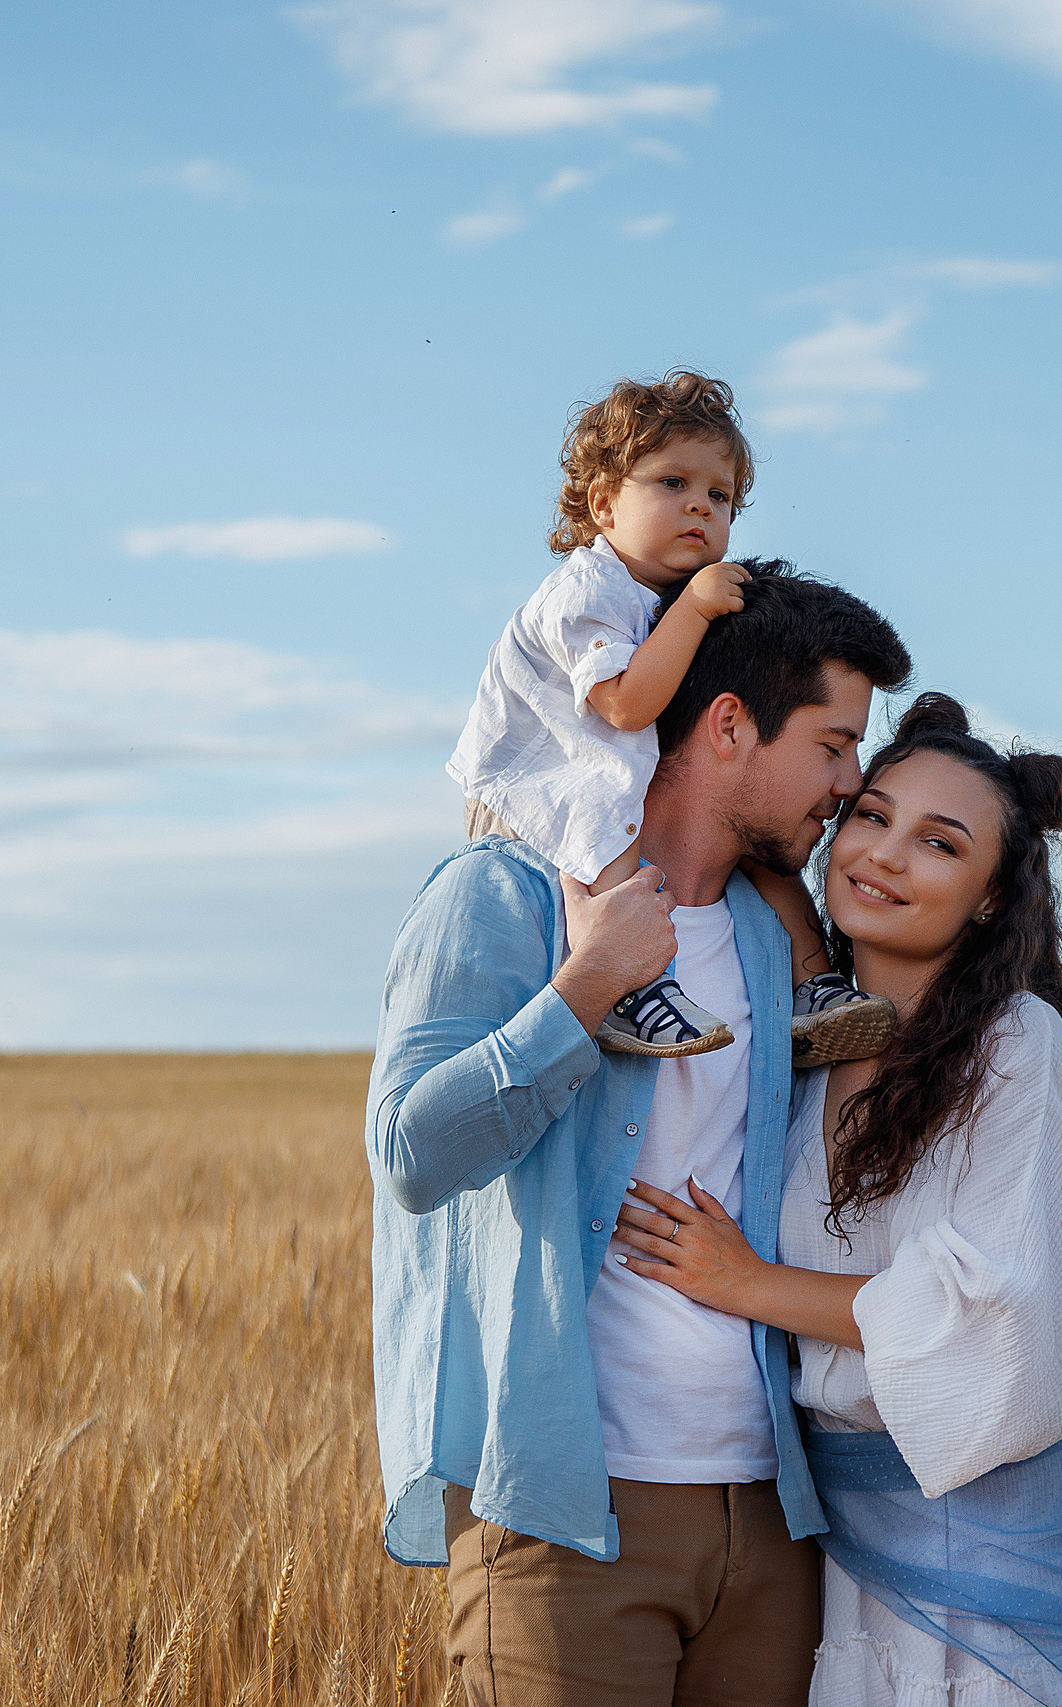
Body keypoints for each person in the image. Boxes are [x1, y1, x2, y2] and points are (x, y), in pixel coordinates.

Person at [368, 564, 915, 1707]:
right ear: (727, 727)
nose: (848, 783)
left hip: (773, 1517)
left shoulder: (783, 946)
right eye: (830, 743)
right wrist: (584, 990)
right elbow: (412, 1157)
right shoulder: (498, 898)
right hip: (570, 1515)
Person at [611, 694, 1062, 1707]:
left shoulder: (1012, 1042)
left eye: (937, 843)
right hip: (834, 1557)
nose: (882, 854)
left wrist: (743, 1282)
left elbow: (978, 1306)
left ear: (985, 899)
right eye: (870, 816)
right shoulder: (798, 1049)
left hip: (997, 1561)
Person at [448, 369, 894, 1066]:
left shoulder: (666, 596)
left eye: (719, 496)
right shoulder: (585, 591)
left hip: (609, 762)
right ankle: (631, 987)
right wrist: (695, 608)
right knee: (612, 830)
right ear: (602, 504)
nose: (700, 508)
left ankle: (811, 986)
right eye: (672, 484)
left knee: (758, 837)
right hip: (539, 779)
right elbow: (626, 704)